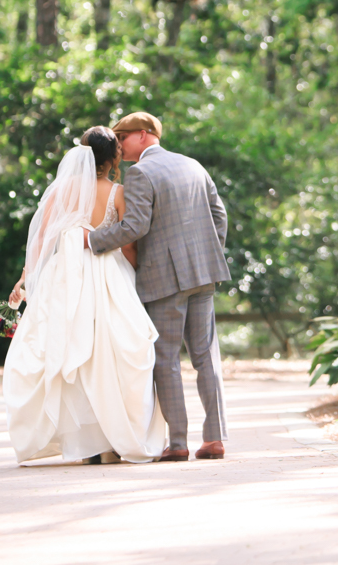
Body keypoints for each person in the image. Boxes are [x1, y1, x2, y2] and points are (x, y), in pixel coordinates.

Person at [3, 127, 166, 464]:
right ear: (113, 158)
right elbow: (129, 245)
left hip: (65, 276)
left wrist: (25, 279)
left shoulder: (62, 192)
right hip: (108, 274)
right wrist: (135, 277)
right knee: (109, 354)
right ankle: (108, 443)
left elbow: (41, 242)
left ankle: (82, 443)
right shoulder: (117, 192)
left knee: (68, 351)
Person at [85, 111, 231, 462]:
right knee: (205, 356)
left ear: (143, 135)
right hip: (204, 274)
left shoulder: (141, 174)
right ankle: (214, 438)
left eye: (122, 137)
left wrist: (92, 241)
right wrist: (207, 255)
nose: (118, 145)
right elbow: (219, 216)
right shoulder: (194, 165)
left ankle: (177, 442)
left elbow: (133, 226)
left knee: (165, 360)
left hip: (164, 280)